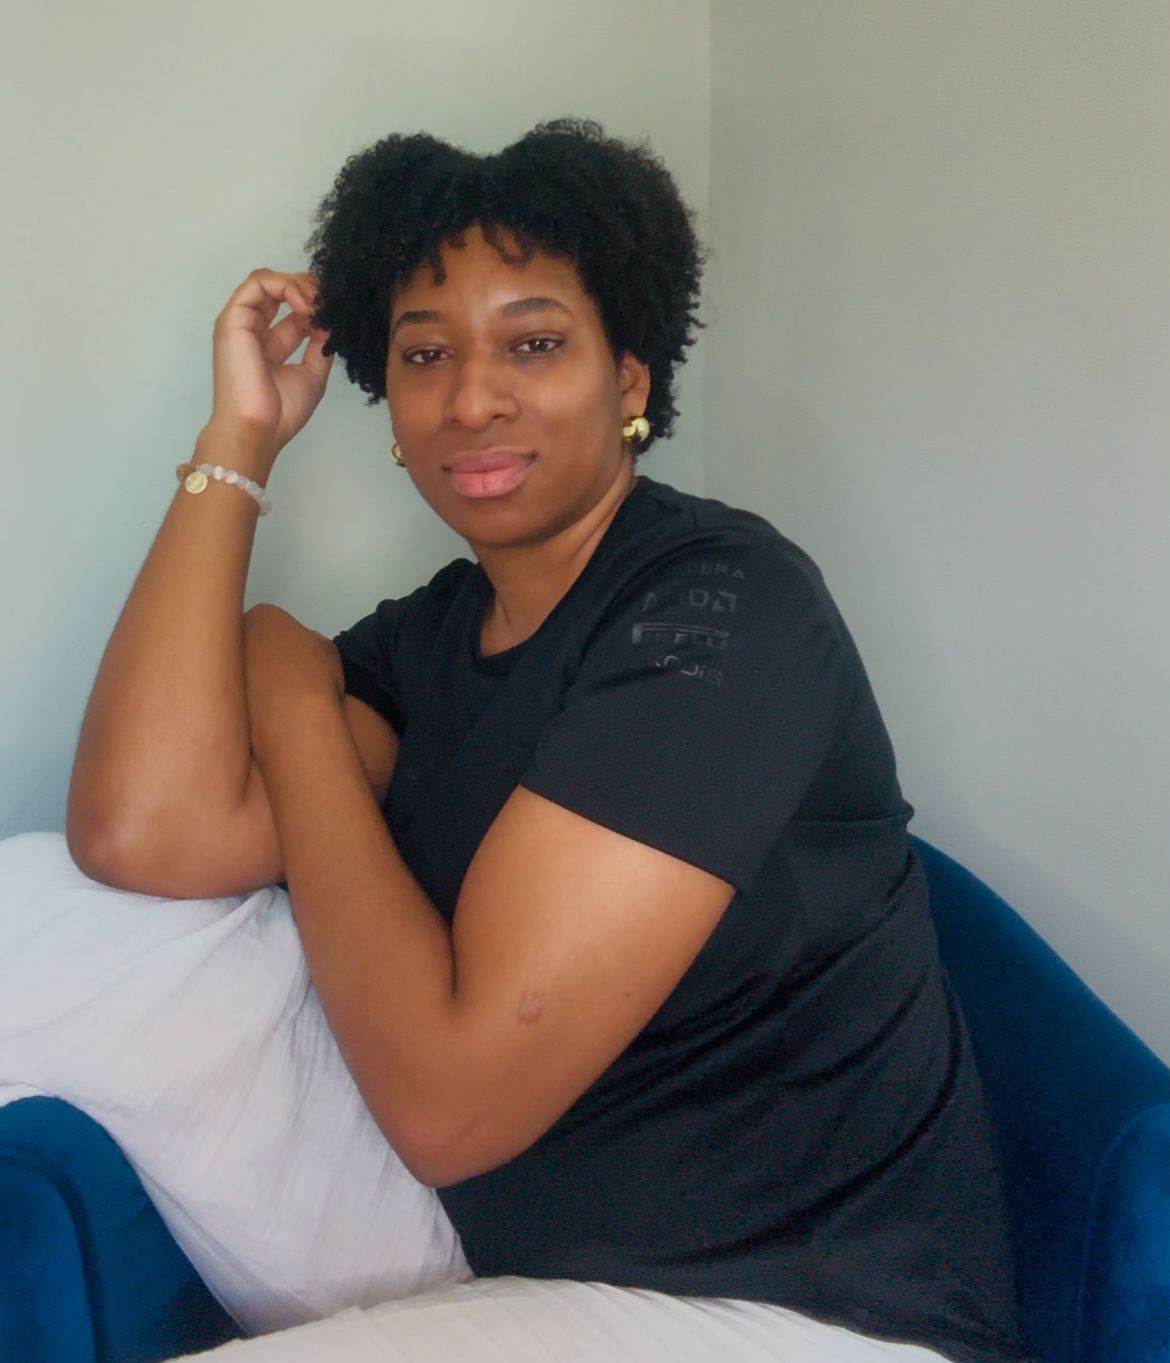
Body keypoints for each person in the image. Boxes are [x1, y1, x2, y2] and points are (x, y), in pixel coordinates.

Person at [21, 119, 1027, 1361]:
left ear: (631, 381)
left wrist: (290, 702)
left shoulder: (726, 610)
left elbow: (448, 1108)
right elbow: (142, 829)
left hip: (797, 1309)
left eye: (535, 343)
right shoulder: (439, 634)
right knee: (38, 896)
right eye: (425, 353)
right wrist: (240, 438)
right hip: (521, 1263)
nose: (473, 398)